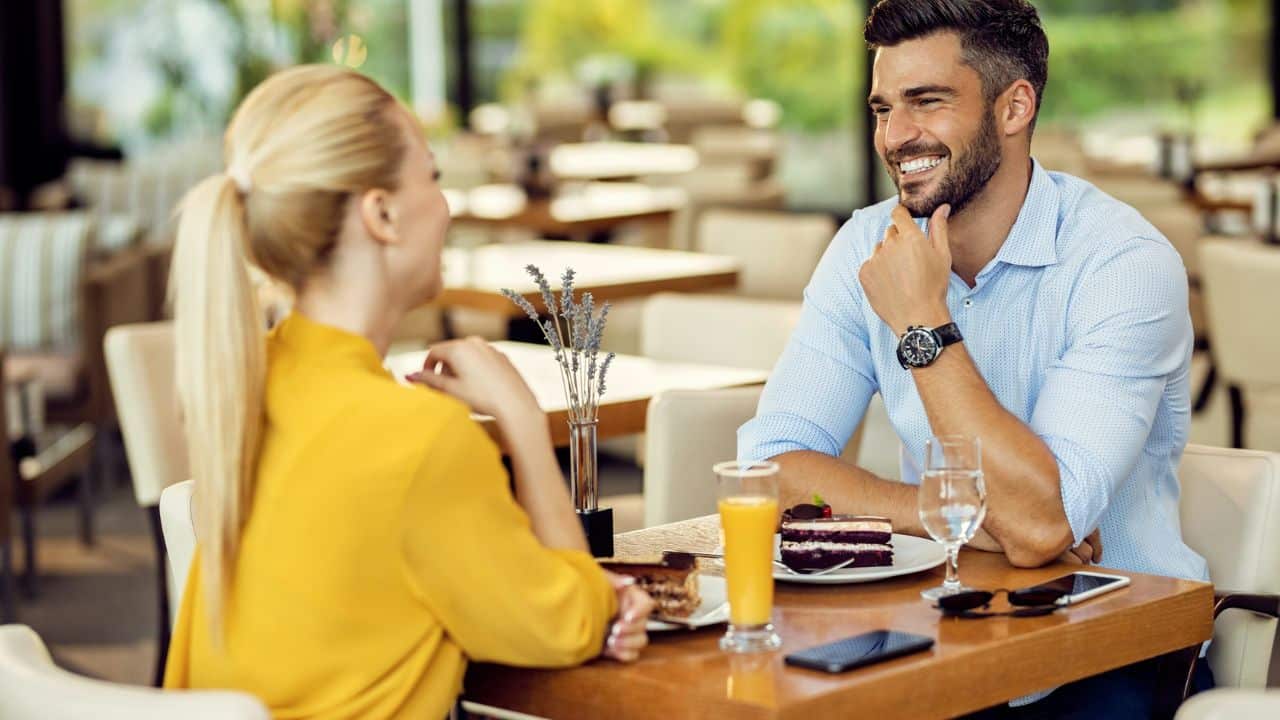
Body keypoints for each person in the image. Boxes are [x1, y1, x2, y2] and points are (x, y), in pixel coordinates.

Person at [738, 0, 1211, 715]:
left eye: (927, 102)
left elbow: (1041, 528)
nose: (896, 136)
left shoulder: (1124, 263)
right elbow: (768, 472)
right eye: (882, 108)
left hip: (1115, 647)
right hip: (943, 635)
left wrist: (923, 322)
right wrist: (948, 513)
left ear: (1014, 106)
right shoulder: (863, 248)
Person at [163, 64, 652, 719]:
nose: (447, 206)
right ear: (383, 213)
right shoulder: (418, 439)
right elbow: (569, 624)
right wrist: (522, 421)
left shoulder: (254, 382)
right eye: (434, 177)